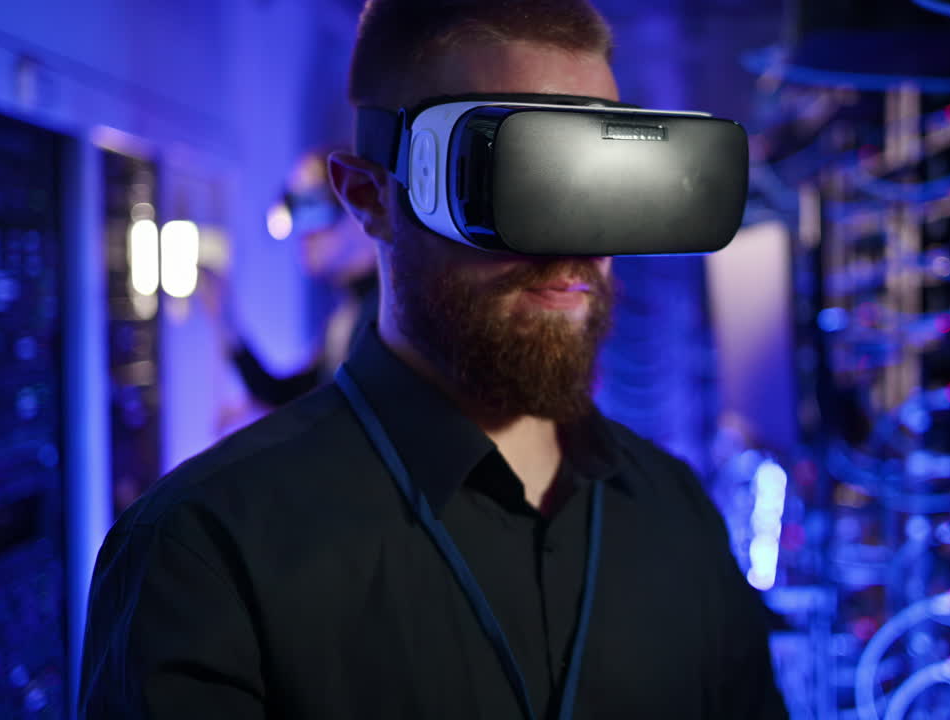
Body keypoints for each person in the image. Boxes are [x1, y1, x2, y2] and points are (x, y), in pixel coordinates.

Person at [78, 1, 787, 718]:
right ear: (369, 196)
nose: (574, 248)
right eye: (519, 180)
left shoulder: (678, 513)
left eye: (600, 184)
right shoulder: (204, 554)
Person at [201, 147, 378, 413]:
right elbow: (289, 395)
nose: (303, 232)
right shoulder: (348, 316)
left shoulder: (391, 316)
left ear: (359, 204)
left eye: (313, 205)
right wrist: (226, 319)